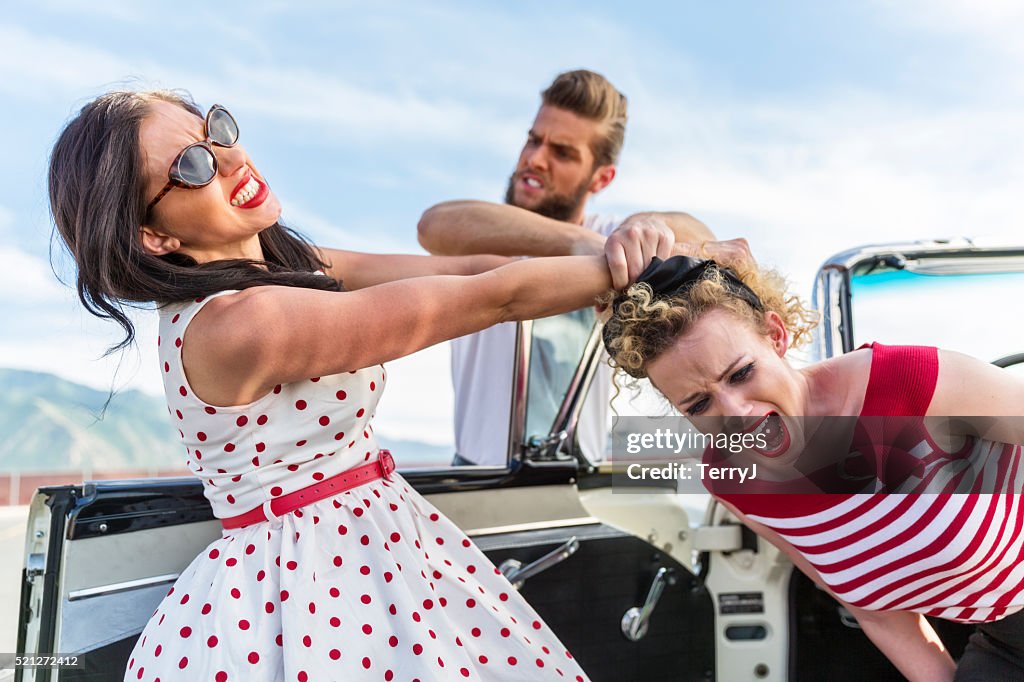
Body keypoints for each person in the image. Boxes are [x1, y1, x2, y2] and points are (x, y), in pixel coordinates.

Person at [47, 90, 671, 682]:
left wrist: (631, 254)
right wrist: (663, 274)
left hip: (380, 534)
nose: (232, 157)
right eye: (192, 164)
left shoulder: (291, 266)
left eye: (217, 131)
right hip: (307, 579)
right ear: (153, 236)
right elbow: (489, 298)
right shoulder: (237, 326)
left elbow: (471, 267)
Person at [600, 254, 1024, 681]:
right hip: (1003, 642)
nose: (734, 414)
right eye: (699, 404)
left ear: (776, 335)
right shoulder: (735, 482)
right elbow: (880, 618)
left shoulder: (905, 383)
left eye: (741, 373)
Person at [417, 69, 717, 466]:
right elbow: (433, 226)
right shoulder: (480, 234)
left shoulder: (614, 235)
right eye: (533, 140)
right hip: (476, 476)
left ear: (601, 178)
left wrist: (642, 228)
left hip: (580, 482)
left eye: (562, 153)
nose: (535, 159)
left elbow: (698, 233)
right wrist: (577, 243)